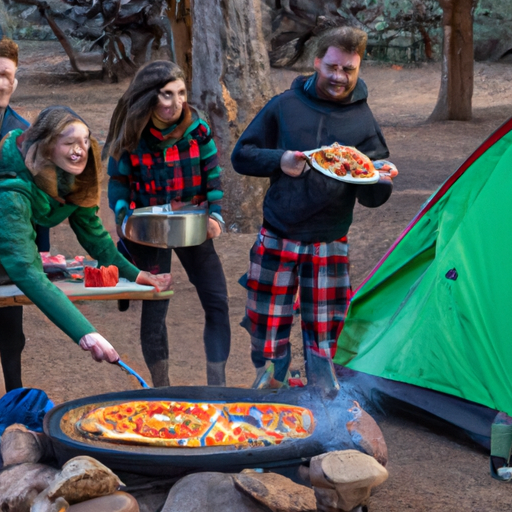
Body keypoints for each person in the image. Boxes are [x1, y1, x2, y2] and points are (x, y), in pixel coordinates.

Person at [231, 26, 397, 387]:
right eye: (332, 67)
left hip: (329, 240)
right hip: (279, 233)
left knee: (324, 334)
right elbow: (241, 156)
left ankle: (322, 402)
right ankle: (271, 387)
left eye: (348, 69)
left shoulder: (363, 119)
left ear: (359, 68)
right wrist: (280, 159)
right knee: (266, 323)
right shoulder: (284, 106)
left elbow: (371, 194)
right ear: (317, 61)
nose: (339, 77)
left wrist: (380, 181)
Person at [0, 105, 172, 382]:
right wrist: (86, 334)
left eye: (84, 140)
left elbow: (94, 235)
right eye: (69, 142)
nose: (80, 149)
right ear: (45, 147)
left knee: (10, 337)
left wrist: (137, 275)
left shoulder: (66, 173)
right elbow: (26, 270)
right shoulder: (9, 190)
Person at [104, 60, 231, 387]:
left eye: (181, 93)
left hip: (192, 222)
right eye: (166, 95)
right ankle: (161, 388)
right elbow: (117, 182)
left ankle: (217, 387)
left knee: (217, 301)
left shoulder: (198, 130)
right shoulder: (131, 134)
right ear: (149, 97)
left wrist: (215, 214)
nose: (176, 103)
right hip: (149, 229)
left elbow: (213, 177)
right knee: (156, 310)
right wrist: (122, 216)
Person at [0, 37, 50, 392]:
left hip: (10, 249)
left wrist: (42, 251)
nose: (2, 81)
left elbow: (38, 194)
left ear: (15, 81)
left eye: (7, 74)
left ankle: (14, 400)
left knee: (10, 332)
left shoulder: (24, 133)